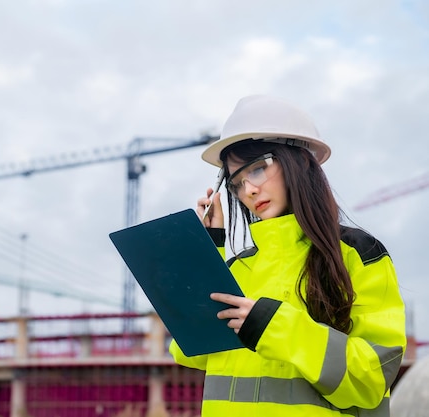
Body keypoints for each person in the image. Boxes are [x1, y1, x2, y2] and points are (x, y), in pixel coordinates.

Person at [169, 95, 406, 416]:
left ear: (300, 161)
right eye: (237, 183)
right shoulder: (239, 265)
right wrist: (210, 251)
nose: (247, 191)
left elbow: (372, 378)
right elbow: (189, 352)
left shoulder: (358, 255)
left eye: (257, 170)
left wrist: (277, 327)